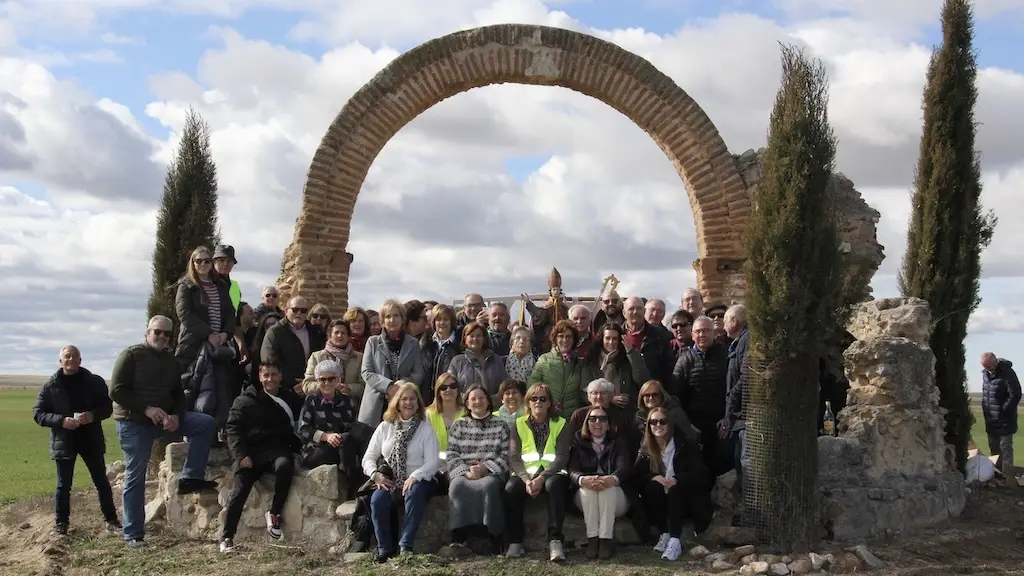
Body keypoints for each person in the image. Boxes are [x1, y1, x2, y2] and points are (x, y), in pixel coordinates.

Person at [110, 315, 217, 548]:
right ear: (148, 331)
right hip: (134, 422)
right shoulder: (130, 355)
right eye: (157, 332)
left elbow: (178, 393)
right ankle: (133, 533)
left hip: (163, 420)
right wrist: (147, 409)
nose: (161, 336)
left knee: (205, 423)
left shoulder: (170, 360)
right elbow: (116, 391)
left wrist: (176, 416)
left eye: (167, 334)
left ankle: (190, 477)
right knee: (135, 476)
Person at [32, 345, 120, 536]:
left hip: (91, 438)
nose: (71, 360)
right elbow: (38, 414)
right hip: (64, 441)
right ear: (60, 361)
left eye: (75, 357)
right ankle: (61, 524)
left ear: (81, 360)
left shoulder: (94, 382)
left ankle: (111, 521)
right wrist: (61, 421)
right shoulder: (50, 386)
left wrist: (93, 415)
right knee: (63, 485)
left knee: (101, 481)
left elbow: (107, 407)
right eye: (67, 356)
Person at [219, 360, 303, 553]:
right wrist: (240, 455)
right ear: (259, 377)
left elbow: (301, 422)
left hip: (277, 450)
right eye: (266, 375)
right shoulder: (245, 400)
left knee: (285, 466)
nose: (270, 379)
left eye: (274, 374)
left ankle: (274, 514)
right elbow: (232, 429)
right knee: (239, 492)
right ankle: (226, 537)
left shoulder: (289, 398)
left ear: (280, 376)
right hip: (251, 453)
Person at [361, 382, 440, 562]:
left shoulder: (425, 429)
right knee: (377, 499)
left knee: (415, 491)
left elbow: (432, 462)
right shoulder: (385, 427)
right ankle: (385, 548)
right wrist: (376, 475)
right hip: (391, 479)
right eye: (404, 399)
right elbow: (368, 458)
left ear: (419, 403)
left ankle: (405, 545)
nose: (408, 403)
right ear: (396, 402)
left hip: (421, 479)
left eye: (412, 399)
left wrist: (415, 476)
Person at [440, 385, 511, 557]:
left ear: (488, 401)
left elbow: (506, 454)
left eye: (481, 398)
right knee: (457, 486)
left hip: (491, 473)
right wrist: (466, 472)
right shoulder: (459, 425)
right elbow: (451, 453)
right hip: (464, 473)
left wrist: (485, 468)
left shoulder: (500, 424)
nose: (478, 401)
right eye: (473, 399)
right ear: (467, 403)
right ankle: (459, 536)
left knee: (488, 487)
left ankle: (493, 536)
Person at [504, 383, 571, 562]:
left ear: (550, 403)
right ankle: (515, 541)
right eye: (534, 398)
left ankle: (555, 540)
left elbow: (562, 456)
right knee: (511, 488)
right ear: (528, 402)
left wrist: (542, 478)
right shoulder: (517, 424)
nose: (538, 402)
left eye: (543, 398)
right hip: (526, 474)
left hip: (553, 473)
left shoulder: (562, 423)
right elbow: (514, 458)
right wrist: (526, 480)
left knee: (554, 485)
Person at [634, 407, 713, 561]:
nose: (658, 425)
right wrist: (653, 477)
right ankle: (664, 534)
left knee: (676, 488)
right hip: (660, 502)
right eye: (653, 422)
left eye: (662, 421)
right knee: (653, 487)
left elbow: (702, 474)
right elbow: (635, 477)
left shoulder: (686, 445)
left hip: (686, 500)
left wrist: (679, 478)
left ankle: (675, 541)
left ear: (670, 424)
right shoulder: (646, 449)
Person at [297, 359, 371, 500]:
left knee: (356, 436)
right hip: (316, 449)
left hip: (342, 446)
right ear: (317, 381)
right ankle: (351, 487)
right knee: (345, 441)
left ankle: (360, 482)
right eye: (322, 379)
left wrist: (338, 437)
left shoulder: (347, 401)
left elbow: (351, 426)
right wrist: (326, 436)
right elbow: (304, 429)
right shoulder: (311, 401)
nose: (327, 383)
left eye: (331, 379)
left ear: (338, 380)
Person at [568, 405, 631, 559]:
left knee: (607, 488)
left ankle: (605, 540)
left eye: (603, 419)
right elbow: (572, 469)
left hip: (616, 499)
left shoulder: (618, 441)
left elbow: (624, 468)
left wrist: (611, 479)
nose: (598, 422)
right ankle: (593, 540)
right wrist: (583, 479)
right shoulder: (578, 441)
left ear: (609, 424)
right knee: (587, 489)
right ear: (586, 423)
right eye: (593, 418)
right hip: (586, 497)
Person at [359, 299, 425, 426]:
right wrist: (389, 387)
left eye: (396, 315)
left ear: (402, 319)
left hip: (404, 404)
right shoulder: (372, 342)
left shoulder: (413, 343)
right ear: (382, 321)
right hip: (376, 406)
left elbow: (419, 373)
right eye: (388, 316)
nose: (392, 320)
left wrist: (401, 387)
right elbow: (367, 372)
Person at [981, 352, 1022, 486]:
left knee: (1006, 448)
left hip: (1005, 419)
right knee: (994, 449)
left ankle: (1008, 478)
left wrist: (1004, 410)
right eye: (984, 367)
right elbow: (986, 395)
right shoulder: (985, 374)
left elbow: (1015, 393)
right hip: (991, 419)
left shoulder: (1007, 372)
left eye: (989, 366)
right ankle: (998, 476)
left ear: (995, 362)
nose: (987, 369)